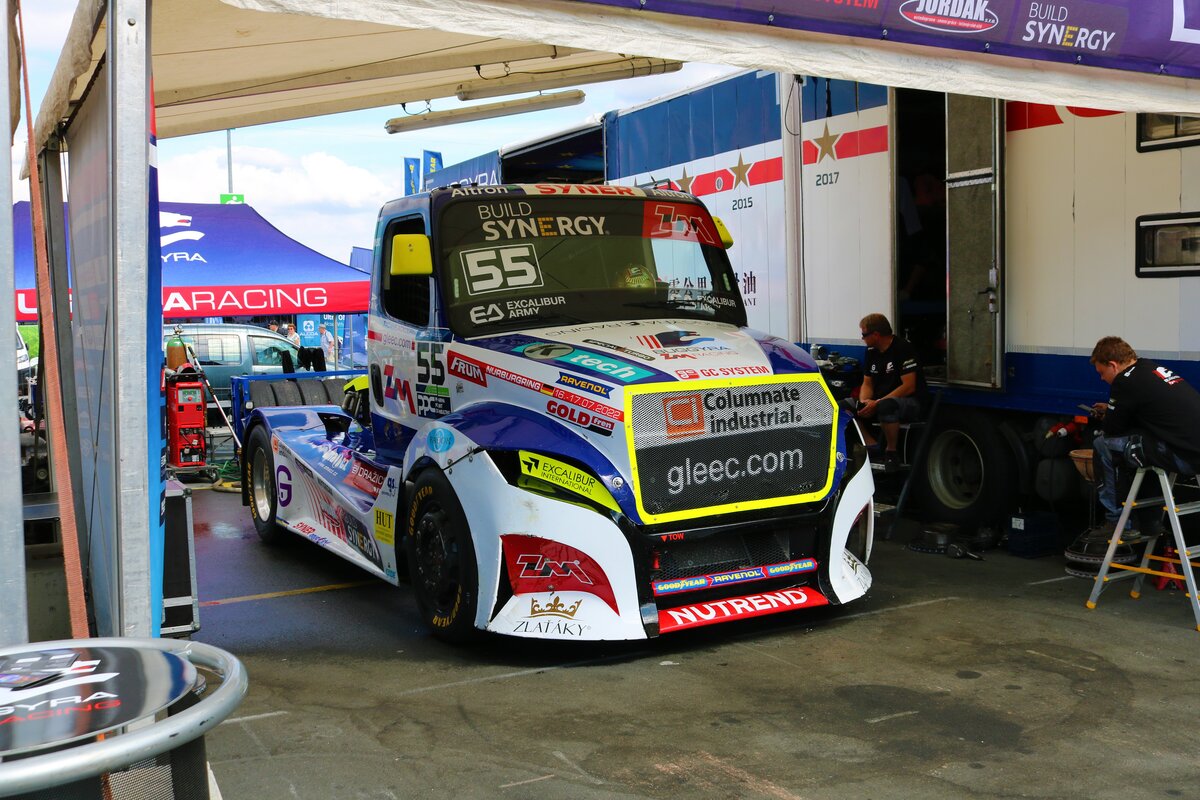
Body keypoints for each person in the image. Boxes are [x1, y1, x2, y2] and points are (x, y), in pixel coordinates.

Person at [1088, 336, 1200, 537]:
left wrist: (1111, 413)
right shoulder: (1148, 367)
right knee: (1142, 444)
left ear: (1113, 365)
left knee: (1103, 445)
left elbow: (1113, 429)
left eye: (1102, 373)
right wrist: (1114, 408)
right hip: (1191, 447)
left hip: (1184, 456)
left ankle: (1117, 523)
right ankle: (1151, 521)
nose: (1101, 379)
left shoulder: (1124, 381)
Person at [856, 312, 928, 473]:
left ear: (876, 334)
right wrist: (865, 401)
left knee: (886, 407)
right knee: (846, 407)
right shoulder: (871, 351)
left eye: (864, 335)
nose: (862, 339)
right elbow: (867, 382)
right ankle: (871, 445)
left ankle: (891, 452)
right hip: (881, 400)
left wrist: (878, 402)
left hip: (910, 401)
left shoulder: (903, 348)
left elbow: (909, 386)